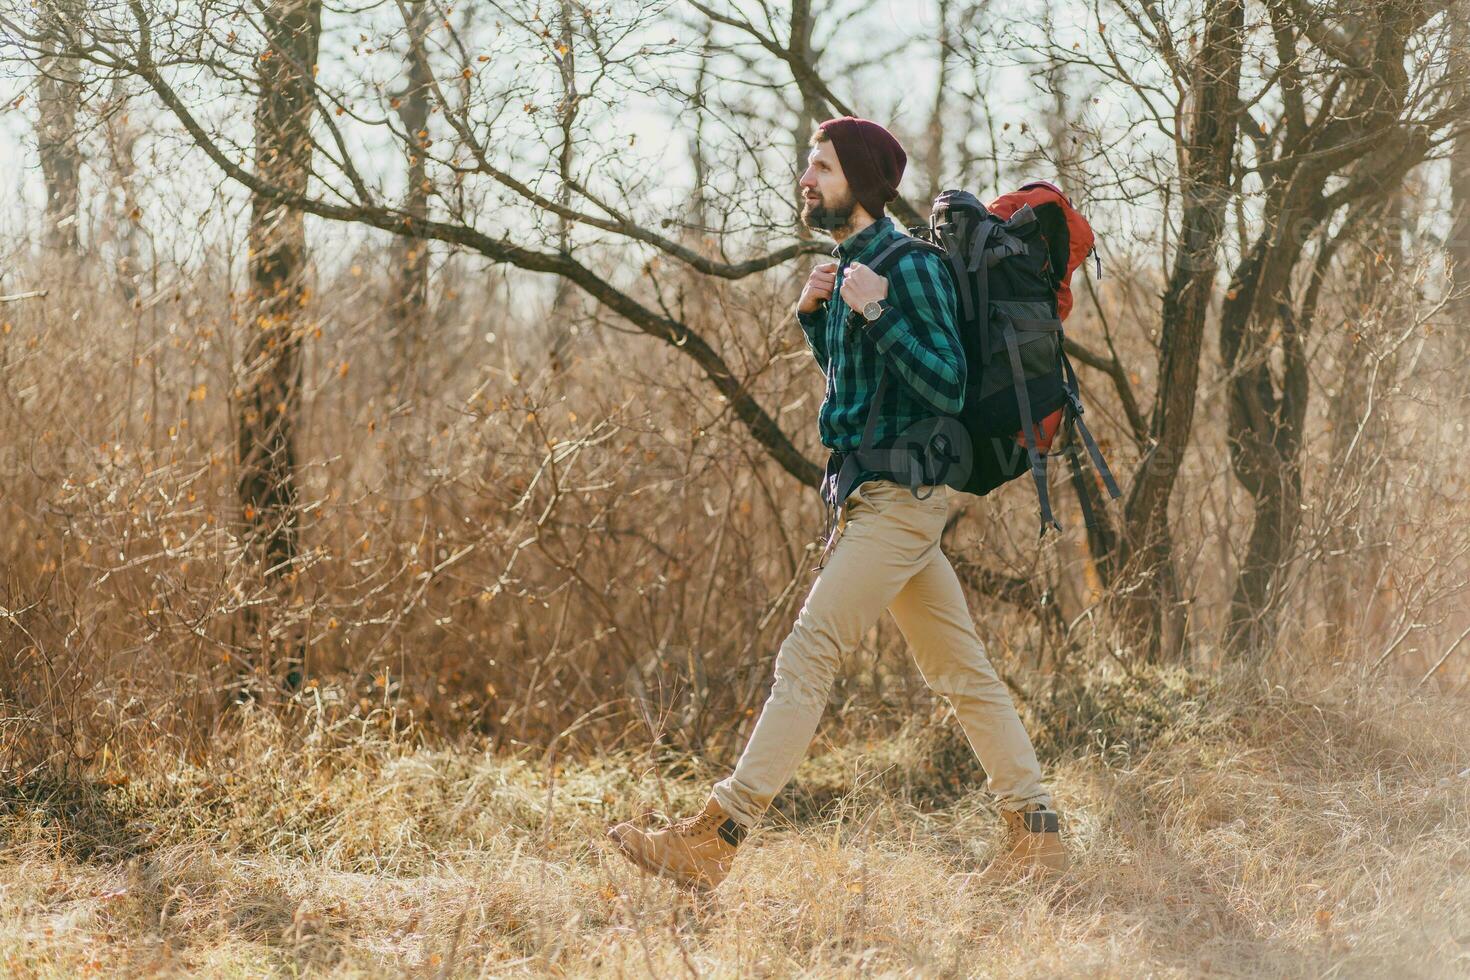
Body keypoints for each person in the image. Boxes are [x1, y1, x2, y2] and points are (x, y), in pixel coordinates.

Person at [606, 117, 1069, 891]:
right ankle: (1039, 830)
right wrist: (820, 322)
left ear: (858, 179)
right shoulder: (851, 266)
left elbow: (946, 387)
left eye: (819, 166)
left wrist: (878, 310)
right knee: (961, 671)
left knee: (809, 653)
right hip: (877, 495)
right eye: (808, 166)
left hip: (904, 496)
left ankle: (718, 836)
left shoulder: (909, 266)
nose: (806, 178)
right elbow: (863, 398)